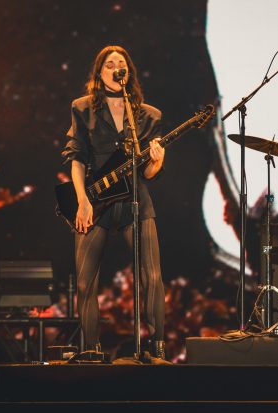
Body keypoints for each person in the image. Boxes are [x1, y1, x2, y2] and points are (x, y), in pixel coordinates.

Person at [62, 45, 166, 359]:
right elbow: (77, 158)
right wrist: (82, 201)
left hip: (136, 198)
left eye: (121, 63)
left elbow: (147, 171)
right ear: (100, 72)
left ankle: (157, 347)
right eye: (110, 63)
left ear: (128, 72)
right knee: (85, 280)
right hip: (96, 201)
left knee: (153, 276)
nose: (116, 67)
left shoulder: (148, 116)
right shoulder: (83, 108)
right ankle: (91, 349)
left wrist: (157, 162)